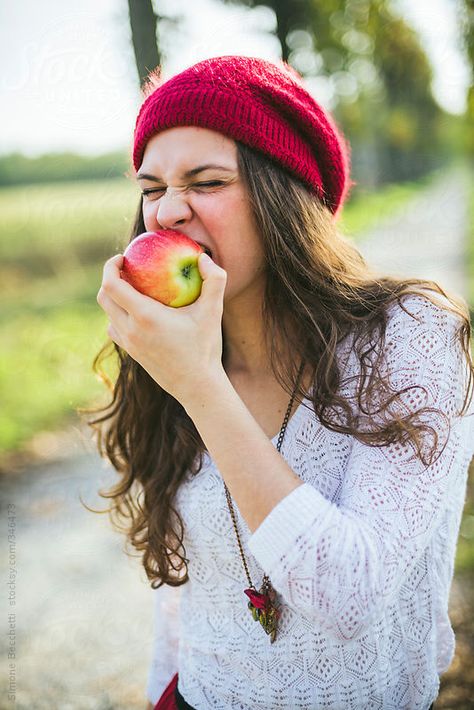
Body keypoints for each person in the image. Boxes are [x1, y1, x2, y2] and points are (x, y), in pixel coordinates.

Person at [89, 55, 474, 710]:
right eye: (152, 188)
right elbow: (184, 599)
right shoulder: (174, 354)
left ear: (285, 194)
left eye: (205, 181)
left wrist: (200, 385)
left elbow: (349, 592)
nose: (167, 214)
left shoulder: (410, 339)